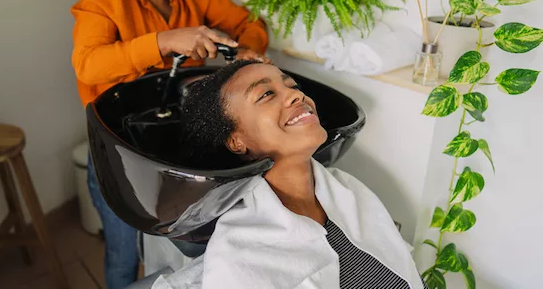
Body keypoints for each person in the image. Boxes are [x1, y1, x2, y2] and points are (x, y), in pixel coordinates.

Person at [70, 0, 269, 286]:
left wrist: (247, 50)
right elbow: (88, 65)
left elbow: (251, 23)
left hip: (167, 151)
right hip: (117, 156)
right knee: (124, 256)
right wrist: (164, 41)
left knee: (176, 252)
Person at [153, 61, 428, 289]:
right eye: (266, 94)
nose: (297, 95)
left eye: (292, 86)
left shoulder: (351, 190)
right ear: (237, 141)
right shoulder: (240, 254)